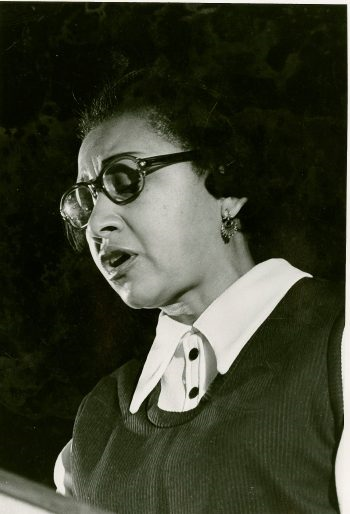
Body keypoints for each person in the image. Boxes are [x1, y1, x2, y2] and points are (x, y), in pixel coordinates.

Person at [55, 69, 344, 513]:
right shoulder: (94, 429)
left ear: (228, 188)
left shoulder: (336, 345)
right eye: (85, 201)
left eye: (125, 179)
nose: (96, 225)